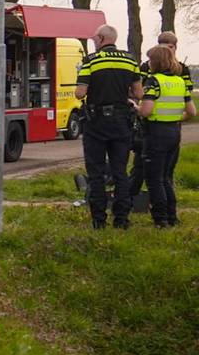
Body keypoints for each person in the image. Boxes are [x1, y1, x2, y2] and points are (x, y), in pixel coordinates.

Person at [76, 24, 143, 229]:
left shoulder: (91, 60)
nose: (94, 42)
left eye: (95, 39)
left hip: (96, 122)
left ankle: (99, 220)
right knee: (120, 171)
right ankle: (121, 219)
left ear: (101, 38)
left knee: (96, 173)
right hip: (121, 121)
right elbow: (139, 93)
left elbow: (80, 93)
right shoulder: (130, 60)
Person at [129, 31, 195, 203]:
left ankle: (159, 213)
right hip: (167, 127)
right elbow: (191, 109)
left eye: (171, 47)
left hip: (157, 126)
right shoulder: (150, 70)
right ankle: (136, 200)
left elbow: (145, 107)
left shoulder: (173, 73)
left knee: (158, 176)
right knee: (150, 171)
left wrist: (137, 107)